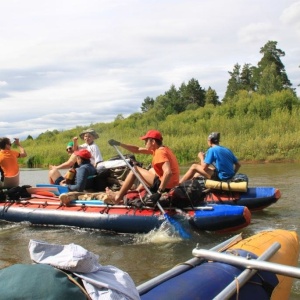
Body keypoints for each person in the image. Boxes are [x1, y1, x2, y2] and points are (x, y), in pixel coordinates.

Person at [107, 129, 180, 204]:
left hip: (166, 187)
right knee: (151, 170)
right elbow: (137, 149)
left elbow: (168, 172)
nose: (145, 144)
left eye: (146, 141)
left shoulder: (160, 153)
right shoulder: (162, 149)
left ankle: (117, 197)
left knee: (135, 169)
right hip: (171, 184)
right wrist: (119, 144)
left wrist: (159, 192)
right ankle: (137, 192)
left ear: (153, 142)